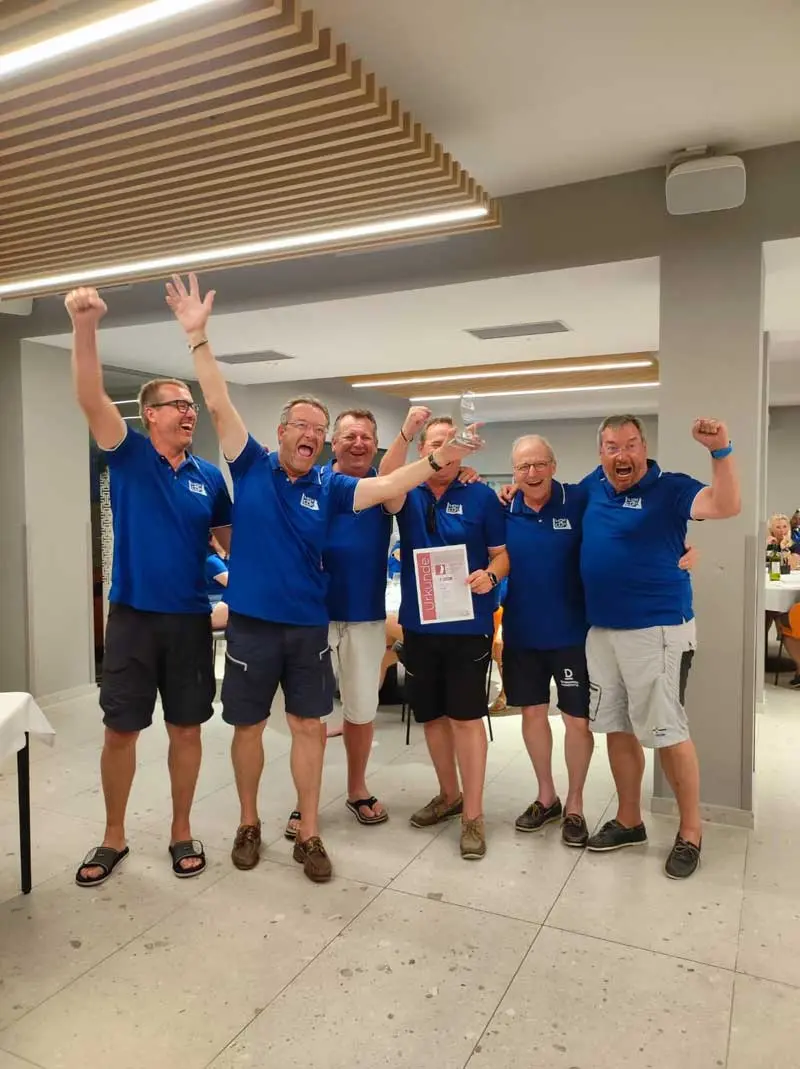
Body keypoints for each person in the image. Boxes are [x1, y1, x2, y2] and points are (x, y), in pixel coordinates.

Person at [165, 273, 482, 882]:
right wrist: (197, 337)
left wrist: (440, 457)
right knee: (248, 727)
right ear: (281, 431)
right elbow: (218, 402)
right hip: (253, 625)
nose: (310, 435)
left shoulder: (331, 486)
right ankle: (249, 823)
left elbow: (389, 485)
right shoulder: (249, 463)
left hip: (308, 625)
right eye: (302, 425)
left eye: (319, 427)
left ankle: (309, 832)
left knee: (309, 726)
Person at [66, 287, 232, 888]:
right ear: (150, 415)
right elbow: (90, 395)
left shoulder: (208, 476)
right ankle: (114, 836)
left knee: (186, 729)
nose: (189, 412)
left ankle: (181, 830)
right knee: (121, 730)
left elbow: (232, 546)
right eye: (177, 404)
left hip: (189, 621)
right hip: (133, 618)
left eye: (192, 404)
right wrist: (85, 325)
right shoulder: (128, 454)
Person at [493, 436, 700, 848]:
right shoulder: (502, 508)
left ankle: (575, 805)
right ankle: (546, 797)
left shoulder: (579, 497)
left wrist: (681, 546)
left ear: (554, 465)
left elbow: (631, 520)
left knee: (577, 721)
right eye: (522, 467)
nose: (531, 473)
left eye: (539, 464)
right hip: (522, 632)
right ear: (512, 472)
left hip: (575, 632)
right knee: (532, 715)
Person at [581, 414, 740, 879]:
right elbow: (548, 500)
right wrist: (507, 489)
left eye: (630, 445)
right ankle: (630, 820)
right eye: (612, 446)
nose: (622, 455)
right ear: (601, 453)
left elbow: (726, 505)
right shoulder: (592, 487)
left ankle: (691, 831)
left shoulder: (671, 488)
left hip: (658, 631)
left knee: (668, 730)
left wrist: (720, 450)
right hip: (602, 630)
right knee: (616, 727)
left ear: (644, 447)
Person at [283, 404, 431, 836]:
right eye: (349, 436)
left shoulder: (382, 489)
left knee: (361, 710)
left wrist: (408, 433)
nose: (358, 443)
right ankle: (305, 801)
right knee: (309, 715)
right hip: (312, 616)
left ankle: (357, 788)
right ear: (333, 442)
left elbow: (398, 476)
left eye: (366, 437)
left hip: (364, 617)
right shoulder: (313, 481)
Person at [395, 415, 508, 861]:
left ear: (463, 451)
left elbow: (502, 556)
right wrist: (406, 432)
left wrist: (490, 576)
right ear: (423, 450)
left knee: (465, 718)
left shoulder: (481, 496)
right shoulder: (407, 490)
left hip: (468, 626)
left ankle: (473, 816)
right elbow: (384, 478)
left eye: (451, 443)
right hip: (419, 626)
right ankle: (449, 795)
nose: (443, 450)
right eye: (435, 443)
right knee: (432, 716)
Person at [206, 535, 229, 631]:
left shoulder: (228, 560)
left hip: (225, 600)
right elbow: (233, 584)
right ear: (211, 542)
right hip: (215, 603)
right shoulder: (212, 560)